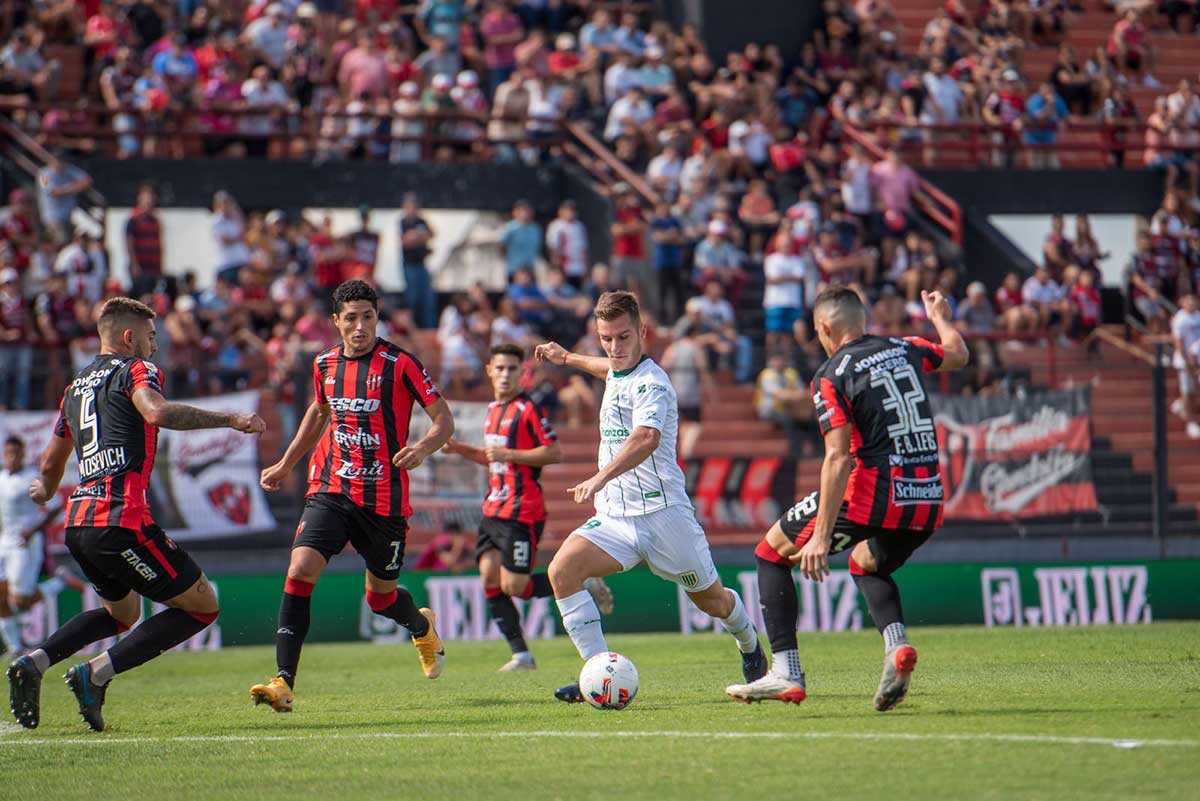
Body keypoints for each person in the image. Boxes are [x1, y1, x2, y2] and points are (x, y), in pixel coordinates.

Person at [6, 297, 266, 732]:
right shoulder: (135, 370)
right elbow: (157, 412)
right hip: (121, 520)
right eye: (150, 337)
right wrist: (232, 419)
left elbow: (51, 464)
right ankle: (95, 674)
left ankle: (35, 661)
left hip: (79, 526)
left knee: (121, 615)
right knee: (202, 608)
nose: (154, 347)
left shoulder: (75, 387)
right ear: (129, 337)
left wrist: (45, 490)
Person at [725, 287, 968, 710]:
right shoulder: (904, 346)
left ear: (823, 328)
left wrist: (819, 537)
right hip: (928, 495)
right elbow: (957, 354)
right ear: (863, 318)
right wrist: (940, 317)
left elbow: (837, 457)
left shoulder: (831, 374)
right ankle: (896, 647)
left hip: (874, 491)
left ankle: (786, 670)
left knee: (770, 553)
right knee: (865, 563)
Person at [534, 291, 766, 704]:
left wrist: (599, 477)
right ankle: (596, 675)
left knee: (711, 601)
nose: (614, 347)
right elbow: (604, 367)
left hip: (664, 516)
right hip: (617, 517)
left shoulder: (653, 383)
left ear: (642, 332)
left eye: (623, 338)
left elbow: (645, 439)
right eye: (606, 338)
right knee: (562, 571)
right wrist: (566, 358)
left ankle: (748, 642)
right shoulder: (615, 368)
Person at [249, 280, 455, 713]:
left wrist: (420, 448)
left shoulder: (401, 364)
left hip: (385, 499)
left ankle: (421, 626)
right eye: (351, 318)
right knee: (301, 567)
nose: (360, 326)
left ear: (377, 318)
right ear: (336, 322)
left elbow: (444, 421)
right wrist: (287, 464)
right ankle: (283, 682)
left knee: (380, 598)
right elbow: (319, 411)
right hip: (332, 486)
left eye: (368, 317)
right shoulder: (324, 364)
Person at [442, 344, 590, 671]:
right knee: (488, 578)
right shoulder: (494, 410)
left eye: (512, 368)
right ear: (489, 371)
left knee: (515, 587)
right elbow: (491, 457)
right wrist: (460, 449)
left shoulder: (527, 409)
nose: (506, 374)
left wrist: (511, 455)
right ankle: (521, 654)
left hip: (522, 511)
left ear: (521, 373)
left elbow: (553, 452)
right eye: (501, 368)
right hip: (493, 510)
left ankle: (579, 579)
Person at [0, 436, 65, 655]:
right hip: (4, 542)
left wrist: (33, 530)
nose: (12, 457)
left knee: (20, 602)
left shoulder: (32, 478)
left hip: (25, 543)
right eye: (9, 453)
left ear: (23, 454)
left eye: (16, 453)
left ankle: (58, 583)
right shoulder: (1, 479)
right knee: (0, 597)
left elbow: (56, 506)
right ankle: (15, 648)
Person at [399, 193, 437, 329]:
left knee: (427, 299)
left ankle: (429, 328)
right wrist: (420, 237)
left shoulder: (421, 221)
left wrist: (417, 237)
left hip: (422, 265)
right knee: (412, 299)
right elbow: (406, 241)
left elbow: (432, 234)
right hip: (410, 266)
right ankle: (412, 329)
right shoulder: (403, 222)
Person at [124, 183, 163, 296]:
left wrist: (160, 266)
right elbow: (129, 243)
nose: (148, 202)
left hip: (153, 266)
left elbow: (159, 245)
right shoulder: (134, 220)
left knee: (151, 294)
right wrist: (134, 264)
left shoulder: (155, 221)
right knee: (141, 295)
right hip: (140, 266)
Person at [1171, 294, 1200, 439]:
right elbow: (1178, 341)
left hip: (1198, 360)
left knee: (1196, 390)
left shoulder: (1198, 316)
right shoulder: (1180, 319)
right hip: (1185, 361)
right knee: (1188, 392)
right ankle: (1190, 422)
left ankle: (1180, 405)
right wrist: (1187, 361)